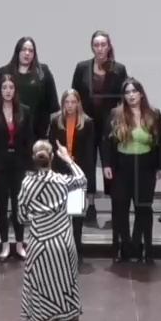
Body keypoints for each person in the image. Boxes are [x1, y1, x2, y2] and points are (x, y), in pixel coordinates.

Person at [19, 139, 89, 321]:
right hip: (64, 244)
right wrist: (68, 158)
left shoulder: (28, 184)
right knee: (68, 289)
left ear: (34, 157)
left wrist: (36, 218)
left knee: (43, 295)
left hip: (41, 247)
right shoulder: (62, 181)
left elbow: (20, 216)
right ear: (51, 158)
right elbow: (82, 179)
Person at [102, 78, 161, 263]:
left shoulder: (154, 114)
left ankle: (143, 247)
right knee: (120, 207)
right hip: (122, 166)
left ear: (141, 93)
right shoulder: (116, 114)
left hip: (146, 166)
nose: (131, 95)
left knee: (143, 208)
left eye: (134, 92)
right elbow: (106, 142)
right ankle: (122, 247)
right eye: (127, 92)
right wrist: (106, 164)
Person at [69, 31, 129, 223]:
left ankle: (115, 206)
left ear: (109, 46)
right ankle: (89, 205)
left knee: (111, 165)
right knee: (85, 164)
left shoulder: (119, 70)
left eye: (103, 44)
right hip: (86, 125)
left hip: (110, 125)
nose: (100, 48)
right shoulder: (82, 68)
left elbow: (124, 98)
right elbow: (74, 97)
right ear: (92, 47)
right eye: (96, 45)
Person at [0, 73, 35, 261]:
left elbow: (30, 141)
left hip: (20, 165)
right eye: (4, 88)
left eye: (11, 88)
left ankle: (20, 244)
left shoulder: (25, 111)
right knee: (1, 206)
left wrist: (31, 167)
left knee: (19, 206)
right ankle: (5, 244)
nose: (8, 91)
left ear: (15, 90)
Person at [47, 89, 96, 251]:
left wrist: (87, 176)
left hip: (77, 173)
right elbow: (51, 149)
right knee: (59, 214)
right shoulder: (55, 121)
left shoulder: (87, 122)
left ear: (78, 104)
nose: (70, 105)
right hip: (59, 173)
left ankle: (76, 248)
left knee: (75, 214)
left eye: (73, 102)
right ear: (62, 104)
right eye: (66, 102)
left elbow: (90, 152)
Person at [0, 36, 59, 138]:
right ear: (17, 51)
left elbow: (53, 106)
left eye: (31, 51)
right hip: (8, 132)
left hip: (37, 132)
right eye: (24, 49)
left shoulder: (43, 73)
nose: (27, 53)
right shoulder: (3, 72)